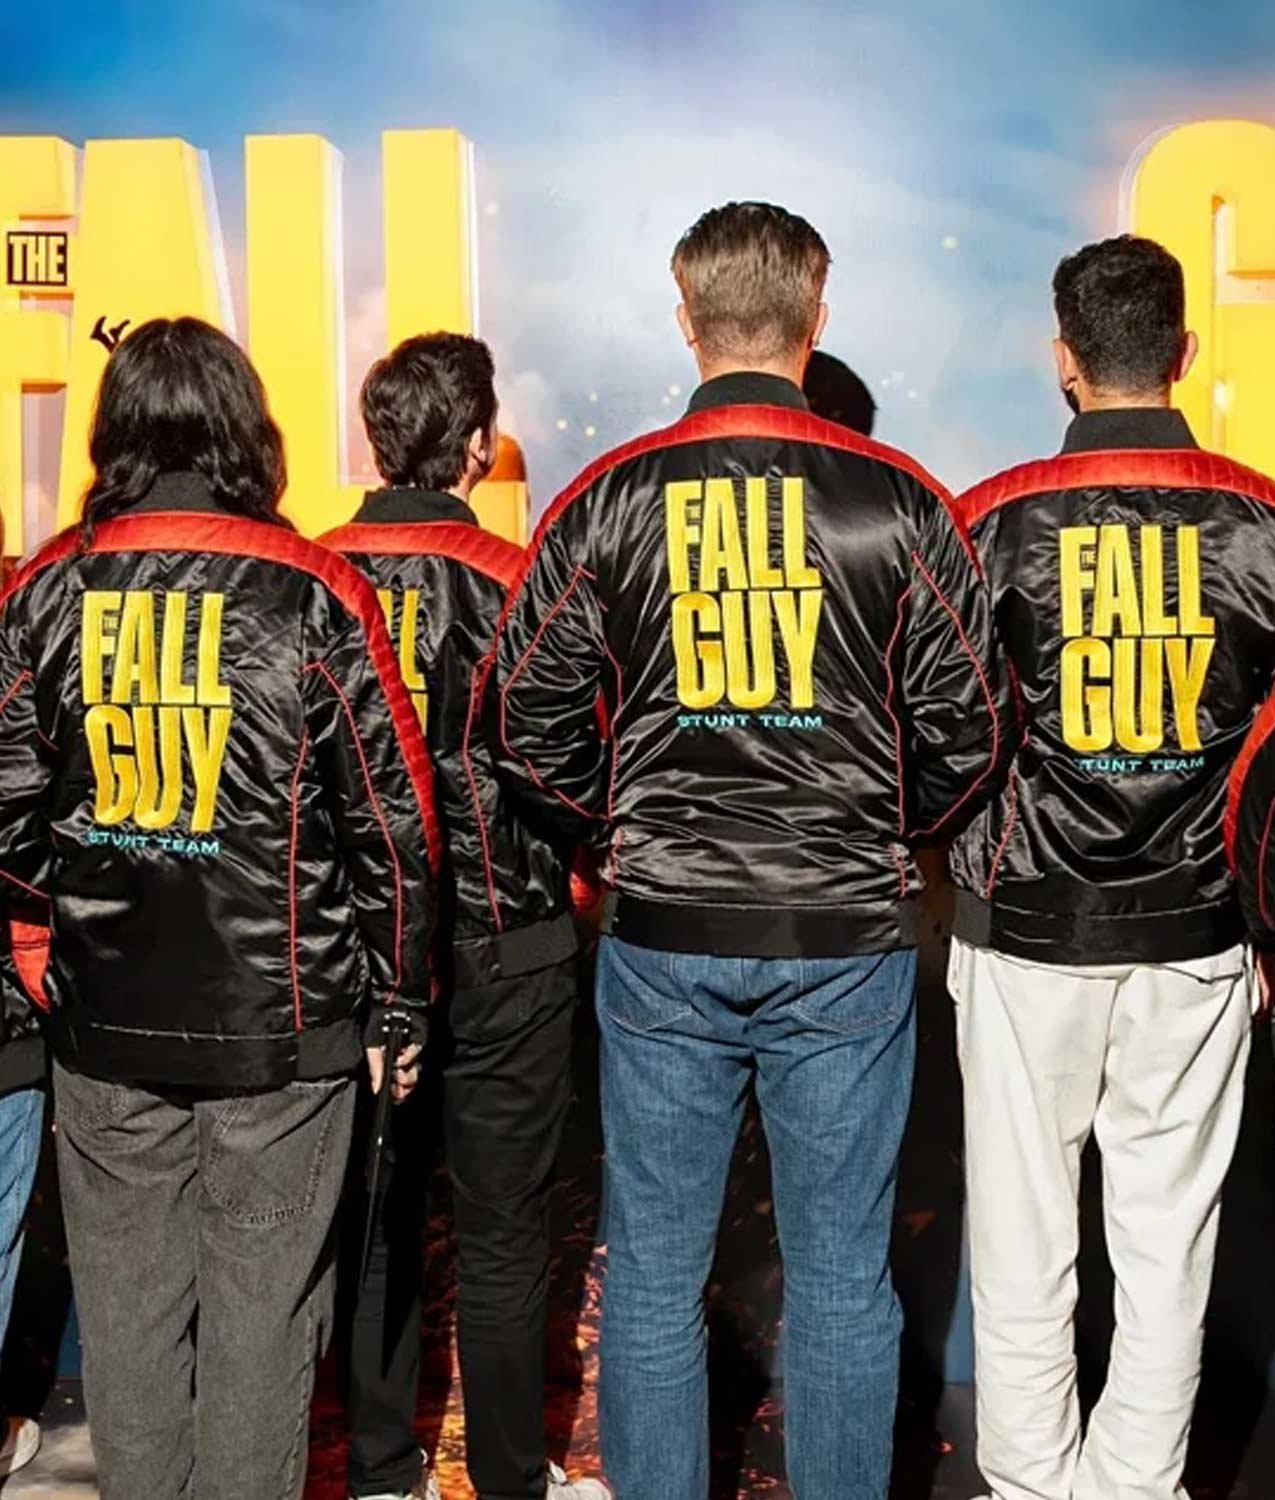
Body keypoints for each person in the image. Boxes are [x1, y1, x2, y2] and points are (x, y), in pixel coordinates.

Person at [490, 200, 1010, 1500]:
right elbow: (972, 731)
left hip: (665, 934)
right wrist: (882, 830)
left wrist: (614, 833)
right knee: (839, 1277)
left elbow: (521, 725)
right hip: (841, 938)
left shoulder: (607, 497)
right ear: (813, 317)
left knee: (654, 1272)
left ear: (686, 318)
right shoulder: (899, 501)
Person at [0, 317, 438, 1500]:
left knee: (131, 1330)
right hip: (279, 1031)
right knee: (262, 1329)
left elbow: (6, 812)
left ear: (115, 432)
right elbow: (392, 824)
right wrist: (400, 998)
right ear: (248, 429)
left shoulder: (46, 588)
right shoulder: (314, 588)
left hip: (109, 1023)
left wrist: (49, 943)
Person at [947, 234, 1275, 1500]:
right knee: (1166, 1243)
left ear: (1063, 359)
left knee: (1021, 1241)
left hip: (1028, 927)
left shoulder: (990, 520)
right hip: (1199, 928)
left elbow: (945, 730)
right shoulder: (1259, 517)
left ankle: (1032, 1488)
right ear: (1184, 351)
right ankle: (1135, 1490)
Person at [323, 332, 606, 1500]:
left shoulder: (310, 578)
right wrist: (574, 894)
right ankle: (508, 1480)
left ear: (374, 438)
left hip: (350, 959)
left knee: (373, 1220)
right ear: (481, 447)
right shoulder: (516, 581)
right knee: (501, 1236)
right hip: (508, 944)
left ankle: (380, 1473)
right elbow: (579, 768)